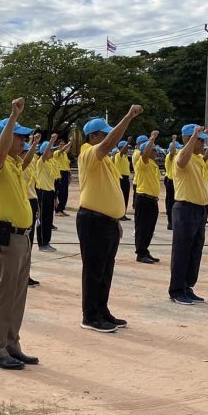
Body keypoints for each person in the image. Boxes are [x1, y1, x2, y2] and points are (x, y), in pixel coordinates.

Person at [0, 98, 40, 368]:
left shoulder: (15, 164)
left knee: (17, 295)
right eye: (19, 137)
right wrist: (13, 117)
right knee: (5, 294)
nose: (23, 141)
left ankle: (11, 344)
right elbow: (1, 150)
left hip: (22, 237)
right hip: (6, 237)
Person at [76, 108, 142, 331]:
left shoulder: (105, 160)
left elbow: (107, 191)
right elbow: (108, 145)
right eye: (104, 134)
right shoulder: (88, 153)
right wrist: (128, 117)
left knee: (105, 270)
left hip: (107, 222)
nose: (109, 138)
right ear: (93, 136)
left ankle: (102, 310)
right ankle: (90, 316)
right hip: (93, 220)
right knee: (94, 270)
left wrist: (116, 220)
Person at [168, 123, 208, 306]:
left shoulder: (198, 158)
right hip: (185, 208)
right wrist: (194, 137)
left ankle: (187, 286)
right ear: (187, 139)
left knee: (195, 251)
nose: (203, 144)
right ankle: (177, 290)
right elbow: (182, 161)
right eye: (200, 140)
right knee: (182, 251)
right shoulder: (182, 156)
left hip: (199, 210)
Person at [133, 132, 161, 264]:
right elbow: (144, 154)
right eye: (153, 150)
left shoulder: (153, 164)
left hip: (152, 200)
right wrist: (152, 138)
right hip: (144, 199)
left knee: (150, 228)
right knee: (142, 227)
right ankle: (140, 253)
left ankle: (145, 249)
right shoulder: (142, 162)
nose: (156, 152)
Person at [33, 136, 59, 253]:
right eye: (50, 150)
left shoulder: (50, 163)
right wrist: (52, 140)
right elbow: (43, 155)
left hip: (50, 193)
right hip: (42, 193)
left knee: (49, 219)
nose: (52, 152)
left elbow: (53, 182)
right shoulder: (41, 162)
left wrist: (55, 197)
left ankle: (47, 242)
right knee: (42, 219)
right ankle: (42, 243)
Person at [54, 139, 73, 216]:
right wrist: (68, 143)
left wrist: (71, 142)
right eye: (60, 144)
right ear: (57, 146)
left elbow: (66, 150)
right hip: (60, 173)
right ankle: (57, 210)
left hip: (65, 173)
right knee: (60, 192)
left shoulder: (64, 154)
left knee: (65, 193)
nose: (62, 146)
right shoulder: (56, 153)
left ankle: (61, 209)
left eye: (63, 144)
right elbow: (62, 150)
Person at [115, 140, 132, 219]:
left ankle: (123, 214)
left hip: (126, 178)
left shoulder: (125, 157)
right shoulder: (118, 155)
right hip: (121, 178)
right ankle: (119, 214)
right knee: (121, 197)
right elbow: (121, 152)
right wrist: (128, 142)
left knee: (126, 197)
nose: (127, 149)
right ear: (121, 148)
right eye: (126, 148)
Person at [164, 138, 177, 230]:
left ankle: (174, 221)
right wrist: (174, 140)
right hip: (171, 181)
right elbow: (172, 152)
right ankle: (170, 222)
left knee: (175, 203)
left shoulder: (176, 157)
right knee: (171, 203)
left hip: (175, 182)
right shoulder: (170, 156)